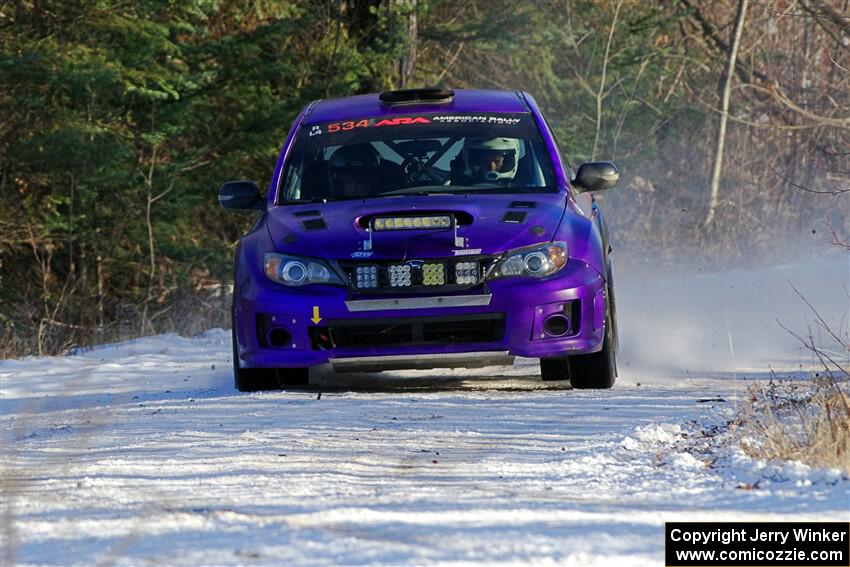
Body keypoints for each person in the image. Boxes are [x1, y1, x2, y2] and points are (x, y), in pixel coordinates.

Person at [456, 137, 521, 185]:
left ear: (507, 161)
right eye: (485, 161)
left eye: (497, 161)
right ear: (477, 161)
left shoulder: (525, 188)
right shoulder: (457, 187)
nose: (492, 167)